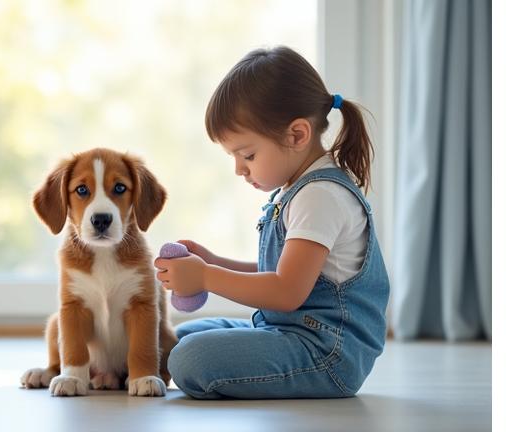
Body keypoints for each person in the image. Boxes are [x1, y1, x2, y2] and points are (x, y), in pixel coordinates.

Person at [154, 46, 390, 399]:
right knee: (181, 338)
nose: (239, 168)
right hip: (289, 331)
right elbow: (283, 273)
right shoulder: (298, 188)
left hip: (327, 353)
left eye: (247, 155)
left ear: (297, 135)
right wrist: (213, 263)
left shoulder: (320, 195)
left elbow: (285, 291)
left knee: (189, 358)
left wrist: (204, 277)